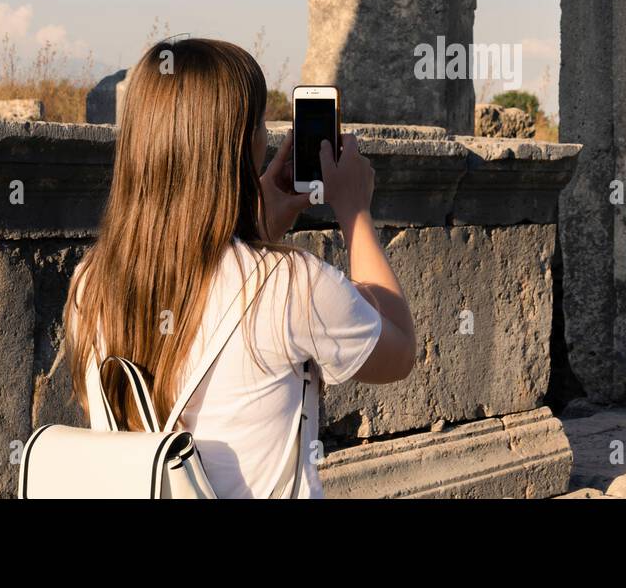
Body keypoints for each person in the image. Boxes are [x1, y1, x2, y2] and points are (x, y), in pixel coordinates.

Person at [64, 37, 416, 497]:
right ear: (246, 145)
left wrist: (259, 220)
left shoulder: (89, 283)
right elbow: (399, 351)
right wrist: (354, 213)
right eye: (260, 125)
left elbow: (211, 283)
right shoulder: (292, 284)